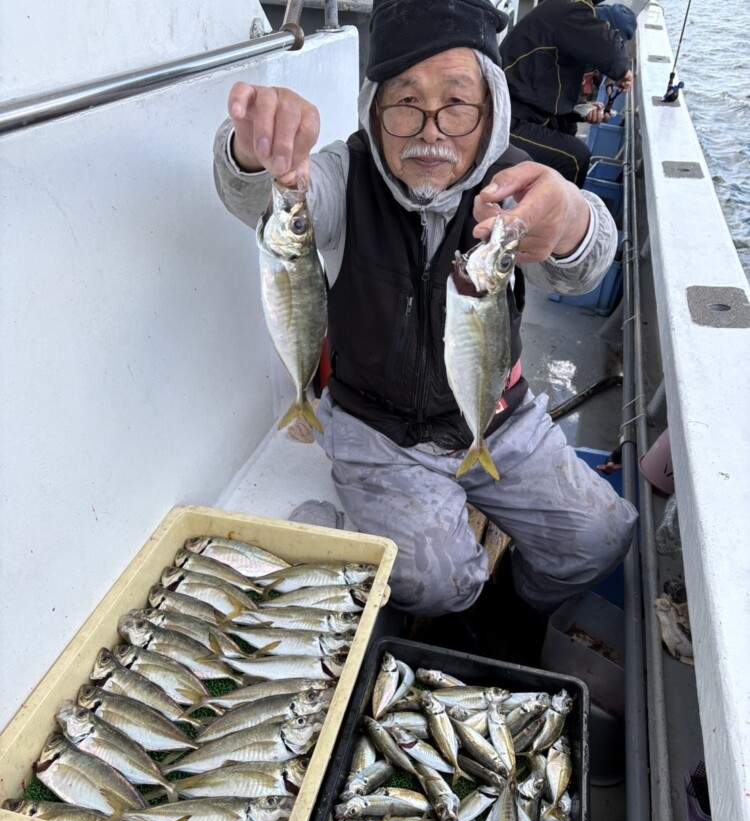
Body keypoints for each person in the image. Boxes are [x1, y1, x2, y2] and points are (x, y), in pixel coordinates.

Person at [213, 0, 637, 624]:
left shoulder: (516, 186)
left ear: (490, 107)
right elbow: (266, 199)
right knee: (437, 586)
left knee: (601, 536)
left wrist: (571, 219)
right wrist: (256, 157)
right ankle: (442, 606)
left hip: (497, 418)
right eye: (405, 101)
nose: (430, 129)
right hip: (376, 428)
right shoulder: (342, 173)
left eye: (457, 103)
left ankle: (511, 612)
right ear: (374, 109)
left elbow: (587, 260)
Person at [500, 0, 635, 188]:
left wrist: (582, 112)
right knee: (575, 157)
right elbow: (612, 54)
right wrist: (622, 73)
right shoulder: (570, 11)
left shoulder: (568, 42)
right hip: (502, 118)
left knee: (567, 132)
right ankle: (561, 213)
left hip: (523, 111)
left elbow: (546, 99)